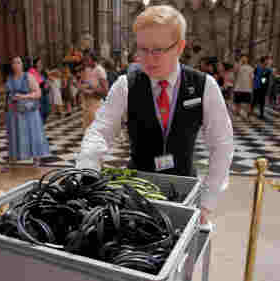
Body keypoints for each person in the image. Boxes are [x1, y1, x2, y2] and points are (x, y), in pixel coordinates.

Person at [76, 5, 234, 224]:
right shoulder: (126, 85)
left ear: (180, 47)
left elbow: (222, 144)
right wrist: (87, 170)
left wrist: (207, 201)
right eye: (142, 49)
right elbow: (100, 131)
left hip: (183, 188)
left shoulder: (203, 86)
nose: (148, 59)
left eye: (158, 50)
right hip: (136, 190)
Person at [3, 56, 50, 172]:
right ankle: (12, 159)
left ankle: (36, 159)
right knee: (14, 134)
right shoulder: (9, 78)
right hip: (14, 110)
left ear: (22, 64)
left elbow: (38, 93)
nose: (16, 65)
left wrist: (24, 96)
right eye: (14, 63)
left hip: (28, 111)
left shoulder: (28, 76)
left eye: (18, 62)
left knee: (32, 133)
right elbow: (7, 94)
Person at [77, 51, 109, 131]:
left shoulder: (100, 70)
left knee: (95, 132)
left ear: (93, 59)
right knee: (87, 131)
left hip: (96, 104)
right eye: (85, 59)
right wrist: (81, 87)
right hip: (86, 104)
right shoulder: (87, 69)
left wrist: (92, 90)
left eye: (87, 59)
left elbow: (105, 91)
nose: (85, 61)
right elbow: (83, 83)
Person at [29, 57, 51, 124]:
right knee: (40, 109)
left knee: (47, 109)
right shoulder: (32, 71)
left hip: (45, 91)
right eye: (39, 62)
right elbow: (34, 81)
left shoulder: (43, 71)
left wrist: (48, 83)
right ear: (35, 63)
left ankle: (43, 120)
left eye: (41, 63)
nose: (40, 64)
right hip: (38, 91)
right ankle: (40, 122)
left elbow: (47, 79)